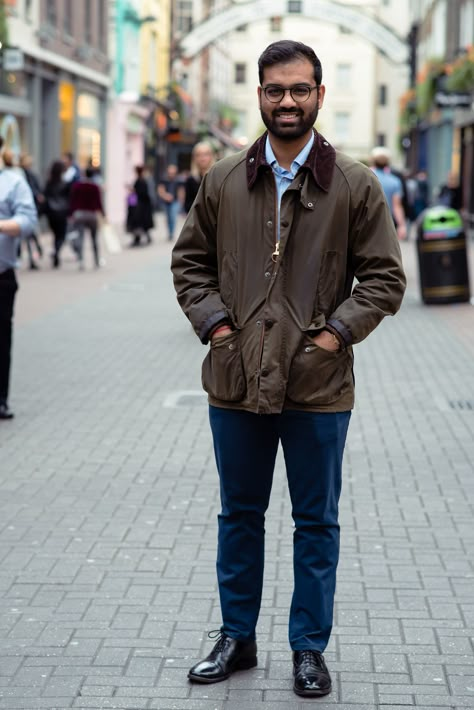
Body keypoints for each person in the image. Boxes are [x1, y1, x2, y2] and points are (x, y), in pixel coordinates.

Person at [171, 40, 406, 698]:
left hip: (318, 386)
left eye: (300, 89)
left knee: (316, 522)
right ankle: (236, 638)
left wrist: (332, 336)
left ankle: (308, 647)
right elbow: (188, 264)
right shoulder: (222, 179)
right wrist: (218, 329)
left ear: (320, 96)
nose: (287, 102)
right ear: (260, 96)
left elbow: (385, 280)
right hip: (235, 381)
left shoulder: (354, 184)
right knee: (238, 515)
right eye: (275, 90)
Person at [0, 136, 38, 419]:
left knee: (1, 339)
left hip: (2, 274)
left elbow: (28, 221)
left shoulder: (13, 181)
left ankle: (1, 398)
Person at [69, 167, 105, 269]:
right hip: (92, 215)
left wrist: (71, 214)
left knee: (80, 238)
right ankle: (96, 261)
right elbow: (99, 203)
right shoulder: (95, 187)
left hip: (79, 214)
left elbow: (73, 202)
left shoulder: (77, 186)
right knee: (94, 239)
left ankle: (81, 261)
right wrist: (103, 214)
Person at [370, 146, 407, 240]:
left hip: (367, 222)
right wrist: (402, 225)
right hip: (386, 224)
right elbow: (397, 206)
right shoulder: (394, 181)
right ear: (387, 163)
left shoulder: (366, 177)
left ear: (373, 161)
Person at [19, 152, 45, 269]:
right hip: (27, 208)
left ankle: (32, 255)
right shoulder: (22, 175)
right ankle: (34, 253)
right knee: (30, 233)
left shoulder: (23, 175)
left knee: (29, 233)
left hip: (26, 208)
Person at [44, 160, 70, 267]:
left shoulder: (49, 183)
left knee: (55, 235)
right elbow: (69, 198)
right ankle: (56, 251)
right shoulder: (64, 183)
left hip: (51, 213)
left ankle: (55, 251)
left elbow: (45, 195)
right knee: (61, 236)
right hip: (62, 213)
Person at [126, 165, 154, 247]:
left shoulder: (141, 181)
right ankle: (143, 238)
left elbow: (141, 193)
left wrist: (133, 190)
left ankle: (137, 239)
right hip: (142, 205)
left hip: (140, 206)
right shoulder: (142, 180)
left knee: (138, 223)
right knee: (142, 223)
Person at [183, 142, 215, 214]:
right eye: (198, 155)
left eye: (205, 154)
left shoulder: (218, 177)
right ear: (194, 158)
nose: (202, 158)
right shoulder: (191, 180)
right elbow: (187, 205)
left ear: (211, 156)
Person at [157, 164, 183, 241]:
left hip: (175, 201)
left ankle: (172, 233)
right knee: (168, 218)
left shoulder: (178, 180)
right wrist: (166, 196)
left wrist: (180, 201)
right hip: (166, 202)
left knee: (172, 216)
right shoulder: (164, 180)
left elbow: (181, 191)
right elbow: (160, 190)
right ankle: (169, 232)